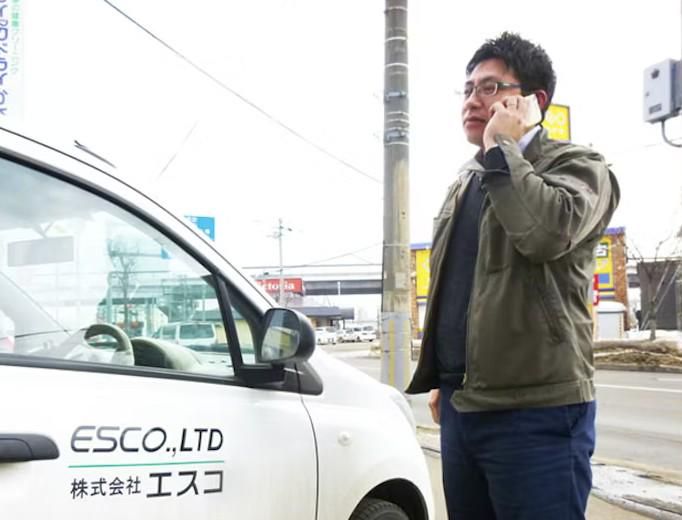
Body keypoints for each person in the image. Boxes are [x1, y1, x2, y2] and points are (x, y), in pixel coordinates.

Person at [406, 32, 620, 519]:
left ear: (533, 101)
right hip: (462, 406)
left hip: (537, 412)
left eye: (489, 88)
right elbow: (459, 285)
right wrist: (448, 373)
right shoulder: (467, 180)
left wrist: (502, 146)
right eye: (467, 89)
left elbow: (545, 233)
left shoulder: (578, 166)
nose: (471, 101)